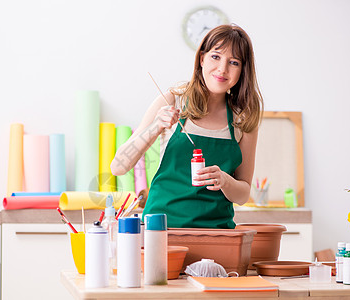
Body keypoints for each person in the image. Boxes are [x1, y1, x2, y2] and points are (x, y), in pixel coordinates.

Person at [110, 24, 263, 229]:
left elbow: (243, 194)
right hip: (161, 230)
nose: (222, 69)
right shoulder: (172, 101)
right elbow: (118, 166)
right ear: (202, 58)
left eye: (233, 62)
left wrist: (225, 181)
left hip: (216, 233)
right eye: (215, 57)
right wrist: (155, 126)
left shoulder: (243, 119)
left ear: (242, 70)